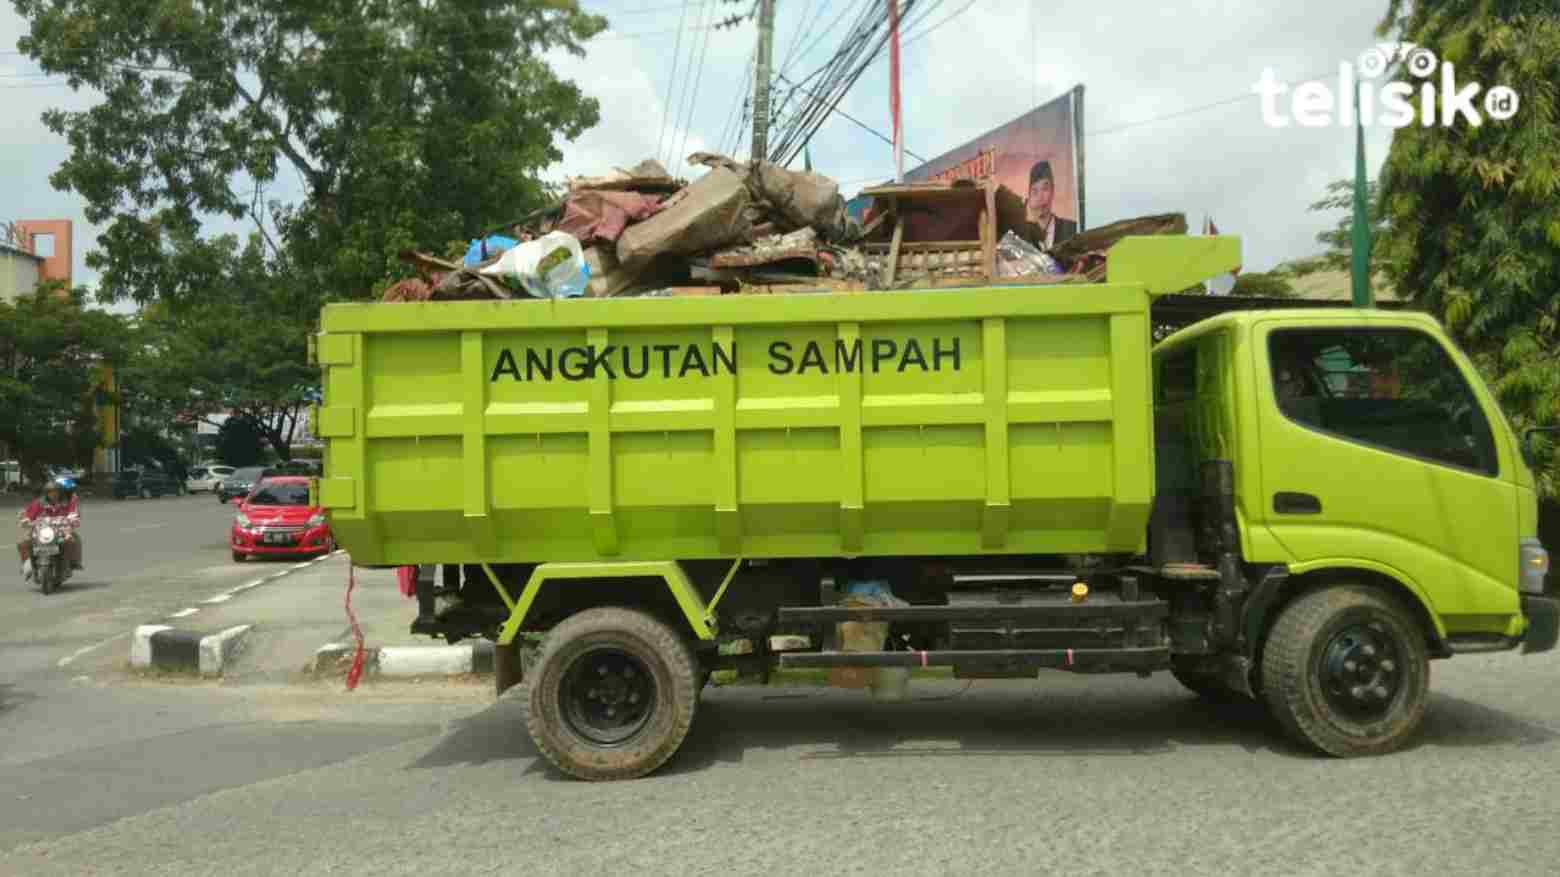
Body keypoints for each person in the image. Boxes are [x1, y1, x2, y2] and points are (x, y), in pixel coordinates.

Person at [17, 476, 83, 581]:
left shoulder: (67, 502)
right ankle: (27, 565)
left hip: (61, 530)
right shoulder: (39, 503)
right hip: (41, 531)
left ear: (60, 492)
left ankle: (70, 564)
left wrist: (73, 520)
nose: (53, 495)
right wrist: (25, 520)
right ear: (46, 493)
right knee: (23, 542)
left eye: (56, 492)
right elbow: (28, 515)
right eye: (50, 492)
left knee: (71, 540)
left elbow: (73, 513)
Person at [1020, 160, 1078, 251]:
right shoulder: (1020, 236)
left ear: (1053, 190)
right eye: (1034, 191)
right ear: (1029, 197)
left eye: (1045, 189)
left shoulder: (1072, 229)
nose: (1040, 197)